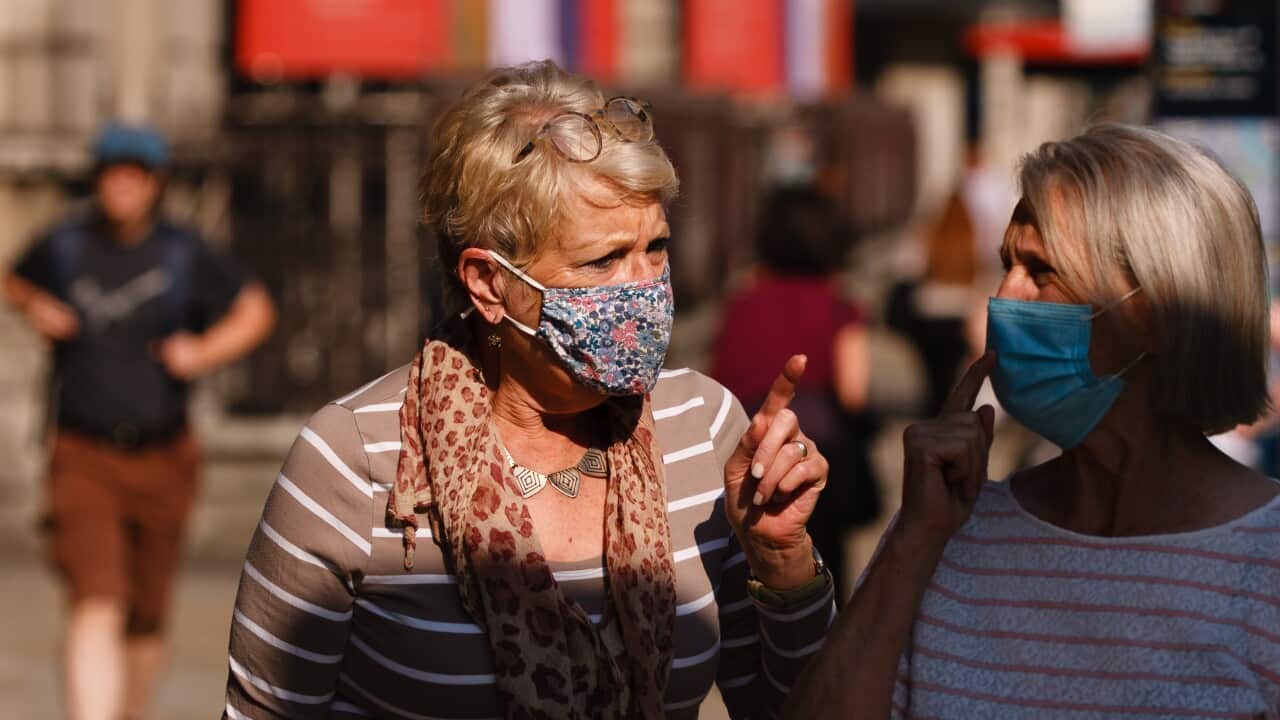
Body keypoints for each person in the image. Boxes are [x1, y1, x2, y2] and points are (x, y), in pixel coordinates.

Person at [223, 61, 835, 719]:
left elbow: (800, 706)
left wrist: (783, 564)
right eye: (602, 261)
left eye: (655, 248)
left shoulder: (701, 426)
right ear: (488, 282)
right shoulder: (359, 458)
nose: (642, 288)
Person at [787, 124, 1280, 718]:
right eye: (1006, 264)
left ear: (1160, 312)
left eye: (1041, 270)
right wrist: (915, 539)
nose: (1004, 295)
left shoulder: (1264, 560)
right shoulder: (945, 529)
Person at [2, 122, 276, 720]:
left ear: (155, 183)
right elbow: (14, 277)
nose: (122, 184)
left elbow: (256, 310)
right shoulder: (66, 244)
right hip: (81, 451)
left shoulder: (184, 250)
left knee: (145, 614)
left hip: (164, 453)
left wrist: (203, 352)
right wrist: (35, 306)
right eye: (111, 172)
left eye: (135, 173)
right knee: (95, 600)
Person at [711, 186, 878, 599]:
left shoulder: (740, 304)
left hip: (744, 454)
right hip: (816, 461)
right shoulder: (839, 306)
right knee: (822, 575)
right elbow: (854, 393)